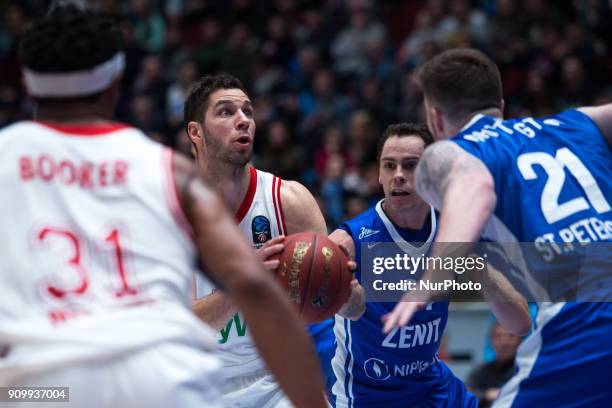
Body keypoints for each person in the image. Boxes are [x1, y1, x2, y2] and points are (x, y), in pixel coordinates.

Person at [0, 6, 328, 408]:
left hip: (45, 390)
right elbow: (253, 286)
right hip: (150, 383)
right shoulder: (165, 171)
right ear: (114, 86)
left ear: (28, 87)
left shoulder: (5, 160)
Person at [384, 48, 612, 407]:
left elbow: (474, 187)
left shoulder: (448, 153)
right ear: (500, 105)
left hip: (587, 314)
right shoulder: (577, 123)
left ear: (435, 118)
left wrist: (434, 276)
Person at [184, 73, 362, 407]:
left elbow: (351, 310)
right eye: (226, 112)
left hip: (277, 379)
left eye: (248, 112)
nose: (243, 121)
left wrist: (346, 292)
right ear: (196, 132)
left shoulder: (288, 200)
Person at [328, 123, 530, 407]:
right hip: (369, 398)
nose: (398, 175)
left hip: (435, 390)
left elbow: (520, 323)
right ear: (379, 175)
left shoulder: (453, 231)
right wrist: (348, 300)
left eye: (410, 166)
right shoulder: (349, 241)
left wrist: (480, 272)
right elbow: (323, 303)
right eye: (389, 166)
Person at [467, 322, 523, 408]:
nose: (504, 342)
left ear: (520, 340)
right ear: (491, 341)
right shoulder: (480, 370)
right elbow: (465, 394)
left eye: (511, 336)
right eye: (498, 336)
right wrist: (486, 395)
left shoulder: (525, 371)